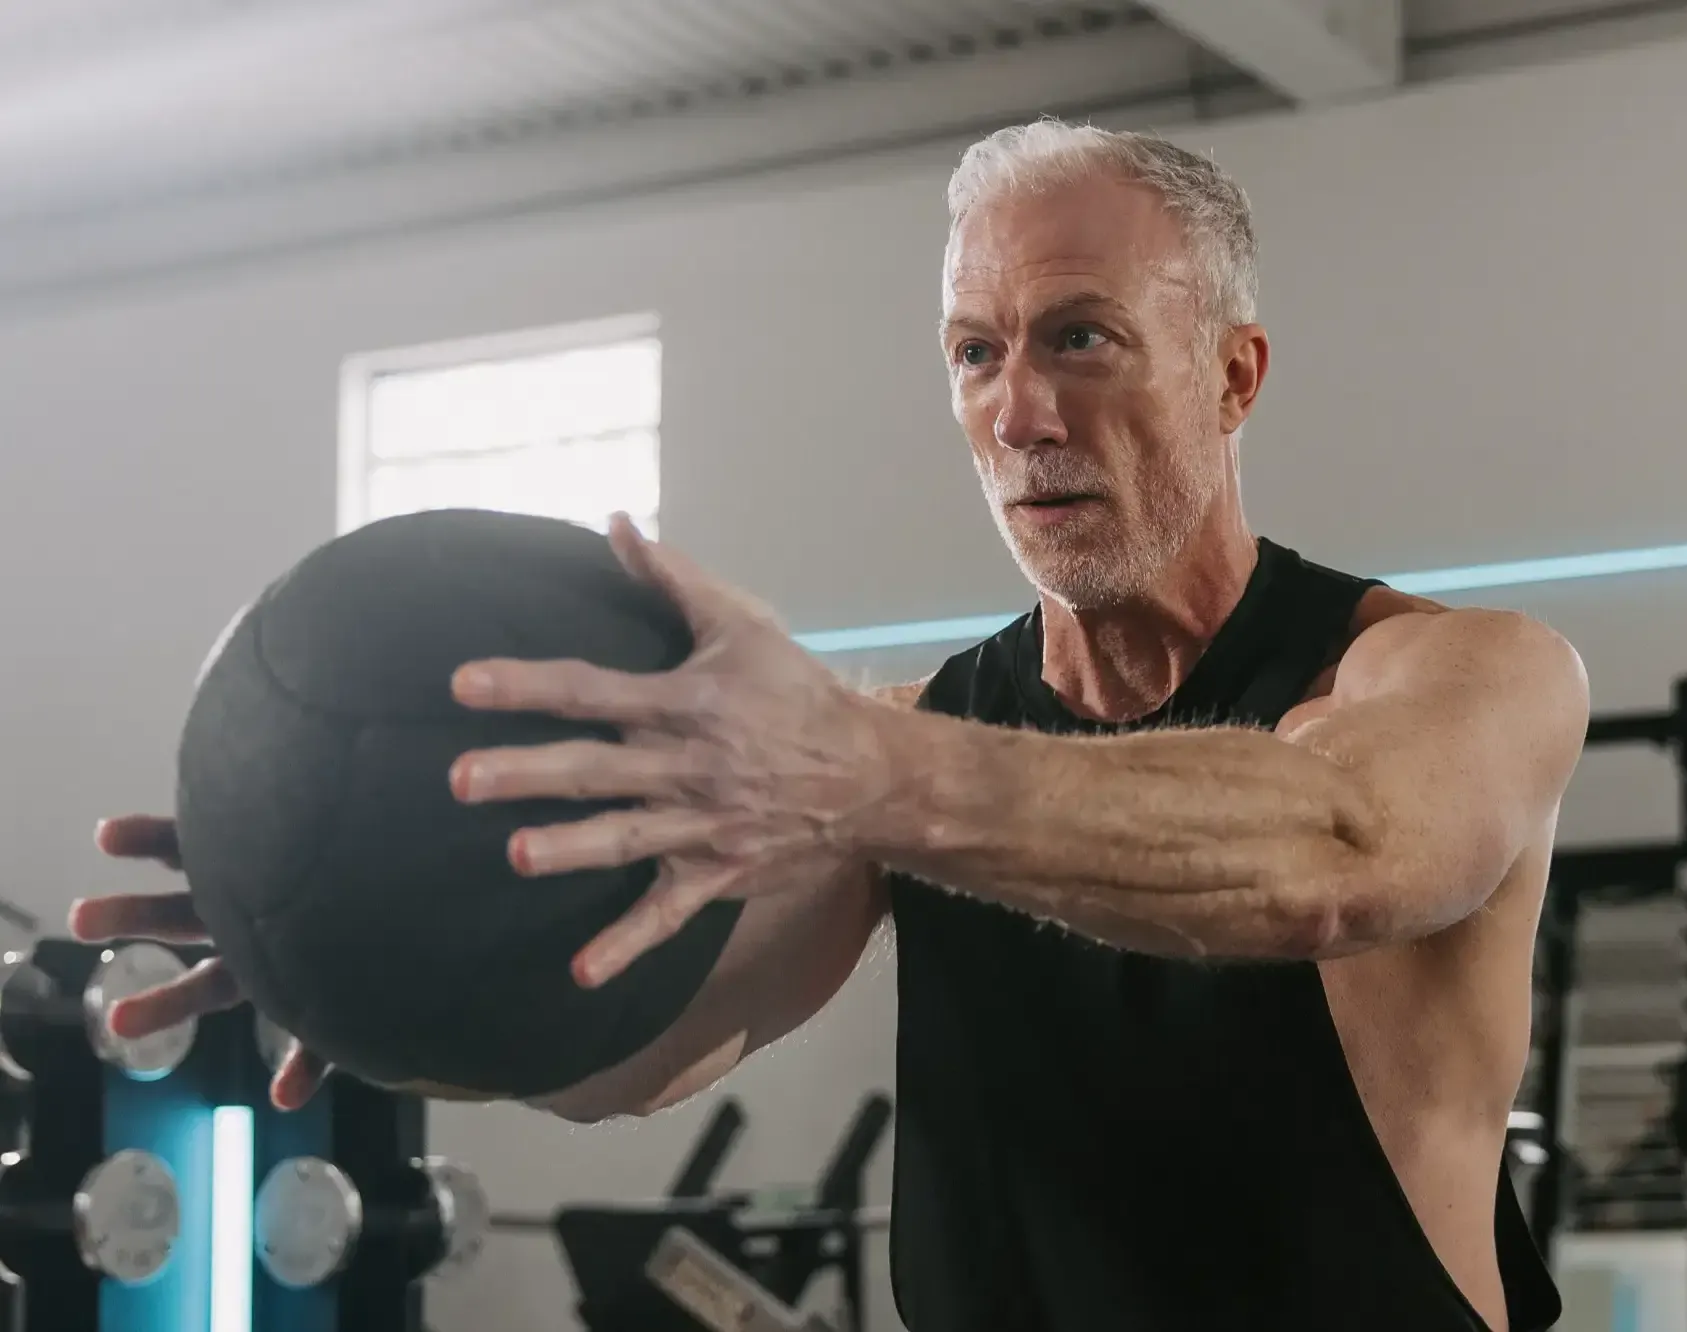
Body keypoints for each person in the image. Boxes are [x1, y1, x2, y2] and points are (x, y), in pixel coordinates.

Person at [72, 120, 1588, 1331]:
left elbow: (1338, 851)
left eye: (1082, 338)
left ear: (1233, 374)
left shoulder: (1463, 677)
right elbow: (640, 1050)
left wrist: (863, 769)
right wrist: (357, 951)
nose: (1021, 414)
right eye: (976, 352)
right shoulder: (908, 753)